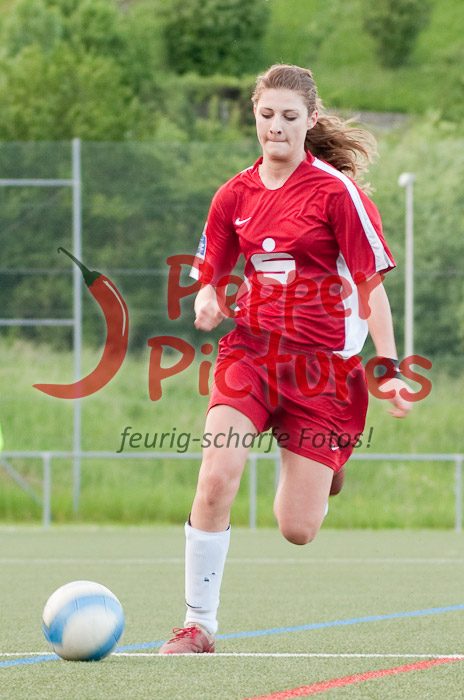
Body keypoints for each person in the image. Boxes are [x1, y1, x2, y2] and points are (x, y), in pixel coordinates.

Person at [158, 64, 411, 655]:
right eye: (267, 114)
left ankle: (329, 459)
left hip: (322, 371)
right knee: (216, 477)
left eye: (290, 117)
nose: (276, 127)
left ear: (310, 120)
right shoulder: (233, 195)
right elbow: (211, 273)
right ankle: (198, 625)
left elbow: (371, 289)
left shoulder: (336, 194)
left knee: (298, 529)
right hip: (250, 353)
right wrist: (208, 297)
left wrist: (389, 367)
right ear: (255, 114)